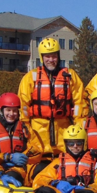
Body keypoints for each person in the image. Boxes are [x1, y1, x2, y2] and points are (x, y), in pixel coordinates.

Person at [18, 38, 88, 182]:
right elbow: (23, 106)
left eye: (54, 56)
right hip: (38, 136)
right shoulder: (30, 78)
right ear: (42, 57)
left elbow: (80, 104)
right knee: (37, 172)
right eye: (47, 56)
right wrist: (27, 130)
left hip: (64, 133)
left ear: (58, 57)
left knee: (66, 173)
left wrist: (78, 132)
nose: (51, 60)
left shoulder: (70, 77)